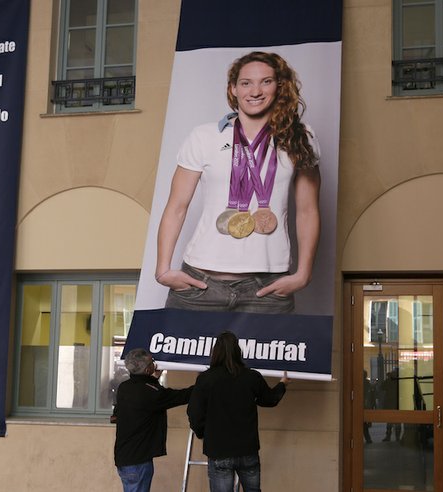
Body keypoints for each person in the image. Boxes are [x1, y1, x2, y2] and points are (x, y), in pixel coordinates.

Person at [155, 51, 320, 313]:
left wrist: (304, 274)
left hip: (266, 290)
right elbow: (176, 206)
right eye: (246, 83)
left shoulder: (301, 137)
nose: (255, 91)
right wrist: (163, 270)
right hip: (200, 285)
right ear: (233, 89)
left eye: (266, 81)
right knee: (177, 356)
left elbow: (308, 210)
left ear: (280, 86)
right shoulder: (204, 136)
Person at [187, 332, 290, 492]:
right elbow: (269, 399)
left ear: (215, 352)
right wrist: (282, 384)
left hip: (219, 449)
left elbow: (194, 413)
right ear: (238, 351)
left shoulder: (206, 379)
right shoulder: (251, 377)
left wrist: (203, 433)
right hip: (247, 449)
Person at [114, 348, 193, 492]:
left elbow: (145, 390)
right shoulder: (149, 392)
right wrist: (205, 385)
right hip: (138, 461)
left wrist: (153, 379)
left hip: (125, 458)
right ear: (146, 369)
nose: (155, 365)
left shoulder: (124, 387)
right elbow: (180, 396)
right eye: (152, 362)